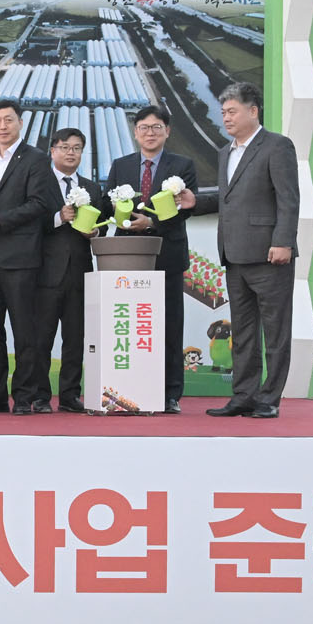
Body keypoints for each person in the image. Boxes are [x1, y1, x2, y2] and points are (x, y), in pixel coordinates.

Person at [183, 84, 300, 419]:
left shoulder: (276, 146)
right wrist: (195, 202)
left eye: (232, 111)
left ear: (253, 111)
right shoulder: (226, 152)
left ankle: (269, 399)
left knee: (275, 332)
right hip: (234, 254)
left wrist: (283, 241)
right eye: (223, 112)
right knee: (244, 332)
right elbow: (228, 198)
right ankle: (243, 396)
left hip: (269, 254)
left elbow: (288, 198)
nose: (226, 118)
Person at [0, 99, 59, 414]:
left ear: (20, 123)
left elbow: (40, 204)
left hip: (21, 257)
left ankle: (23, 396)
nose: (3, 126)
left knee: (24, 330)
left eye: (8, 120)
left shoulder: (36, 159)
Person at [109, 105, 199, 413]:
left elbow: (185, 209)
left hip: (167, 255)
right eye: (144, 128)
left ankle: (170, 393)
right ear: (135, 133)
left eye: (156, 127)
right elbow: (110, 204)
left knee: (168, 326)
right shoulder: (120, 165)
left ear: (167, 131)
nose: (150, 133)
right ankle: (129, 387)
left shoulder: (183, 165)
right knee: (129, 327)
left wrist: (152, 223)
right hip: (128, 257)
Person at [37, 128, 105, 412]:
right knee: (40, 338)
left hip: (79, 272)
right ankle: (40, 396)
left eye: (77, 148)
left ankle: (69, 395)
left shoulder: (92, 188)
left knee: (75, 338)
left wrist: (94, 234)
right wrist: (58, 217)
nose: (71, 153)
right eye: (65, 147)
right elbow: (28, 223)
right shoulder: (38, 184)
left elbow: (101, 226)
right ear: (53, 151)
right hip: (44, 272)